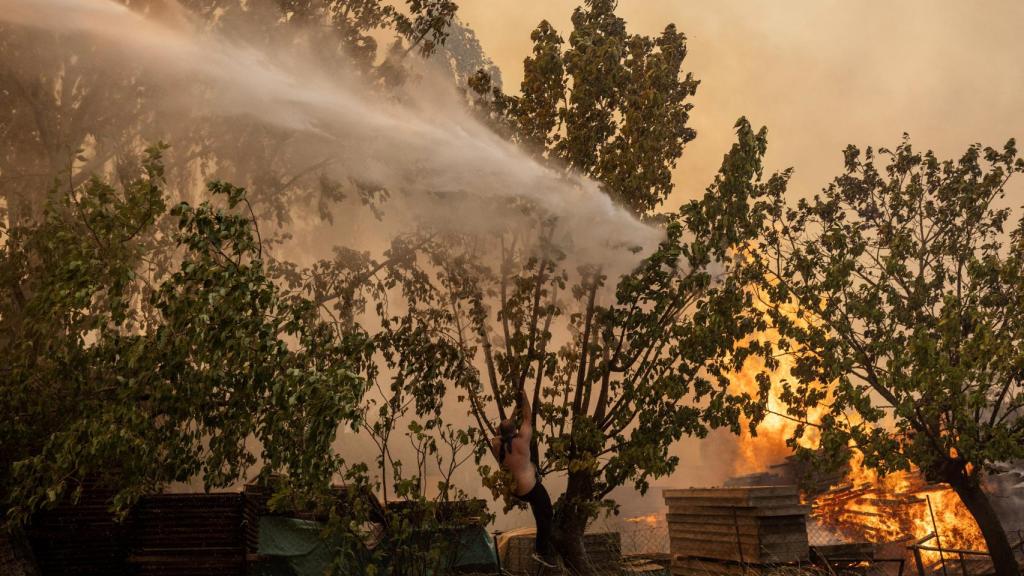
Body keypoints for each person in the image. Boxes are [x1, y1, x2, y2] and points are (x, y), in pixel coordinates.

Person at [490, 389, 558, 569]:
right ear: (515, 430)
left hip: (516, 491)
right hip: (530, 488)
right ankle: (541, 551)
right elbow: (528, 417)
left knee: (539, 511)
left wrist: (513, 411)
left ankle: (542, 545)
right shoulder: (522, 440)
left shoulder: (497, 445)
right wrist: (524, 397)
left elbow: (501, 430)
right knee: (547, 512)